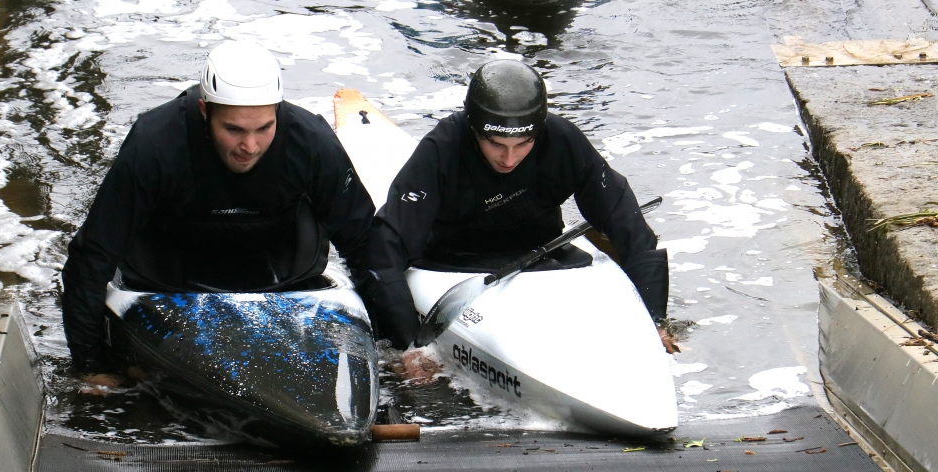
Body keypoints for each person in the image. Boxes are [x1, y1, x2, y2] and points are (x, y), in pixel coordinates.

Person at [62, 41, 375, 374]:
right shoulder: (153, 144)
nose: (249, 146)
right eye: (233, 129)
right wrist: (90, 366)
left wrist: (401, 346)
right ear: (204, 111)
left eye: (264, 128)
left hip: (276, 272)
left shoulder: (312, 141)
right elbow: (93, 255)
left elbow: (365, 243)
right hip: (169, 276)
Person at [357, 60, 674, 354]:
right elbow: (383, 251)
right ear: (473, 127)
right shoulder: (442, 148)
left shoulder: (562, 140)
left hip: (544, 256)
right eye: (496, 144)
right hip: (453, 263)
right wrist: (408, 346)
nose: (509, 159)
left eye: (523, 144)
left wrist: (655, 321)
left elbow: (628, 223)